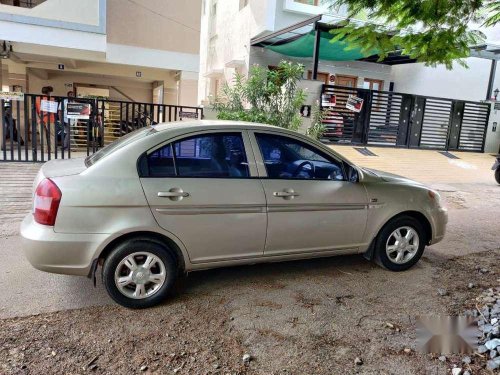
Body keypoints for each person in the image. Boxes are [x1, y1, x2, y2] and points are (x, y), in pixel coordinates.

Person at [35, 86, 56, 153]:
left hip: (40, 119)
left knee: (42, 135)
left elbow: (35, 110)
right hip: (50, 119)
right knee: (52, 134)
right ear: (49, 92)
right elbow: (52, 110)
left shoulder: (37, 99)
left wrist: (38, 118)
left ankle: (44, 150)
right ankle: (52, 149)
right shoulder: (51, 99)